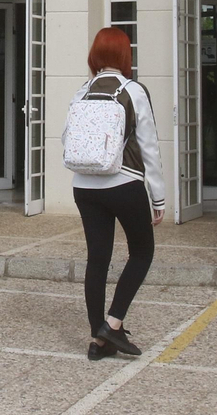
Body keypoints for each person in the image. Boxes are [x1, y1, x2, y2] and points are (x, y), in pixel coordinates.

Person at [63, 28, 164, 360]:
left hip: (84, 185)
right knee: (142, 251)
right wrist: (158, 197)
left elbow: (68, 139)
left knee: (97, 258)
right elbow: (149, 147)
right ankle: (113, 323)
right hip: (124, 183)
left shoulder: (81, 92)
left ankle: (98, 340)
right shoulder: (133, 91)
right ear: (125, 56)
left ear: (94, 55)